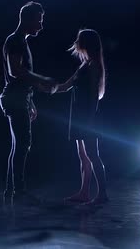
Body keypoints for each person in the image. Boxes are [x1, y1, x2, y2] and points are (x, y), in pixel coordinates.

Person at [0, 1, 55, 203]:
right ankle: (18, 191)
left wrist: (30, 101)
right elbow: (15, 71)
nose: (40, 26)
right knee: (23, 145)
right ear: (28, 19)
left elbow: (21, 77)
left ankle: (11, 190)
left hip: (19, 98)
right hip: (14, 99)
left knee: (18, 146)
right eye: (39, 21)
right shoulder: (15, 41)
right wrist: (41, 79)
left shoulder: (21, 42)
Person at [52, 29, 109, 204]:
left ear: (86, 43)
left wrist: (89, 121)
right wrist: (47, 87)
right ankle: (84, 192)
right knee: (83, 156)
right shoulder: (85, 64)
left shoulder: (93, 66)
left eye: (79, 40)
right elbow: (66, 85)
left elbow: (93, 94)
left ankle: (102, 194)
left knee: (93, 154)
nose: (76, 42)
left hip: (87, 118)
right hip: (79, 117)